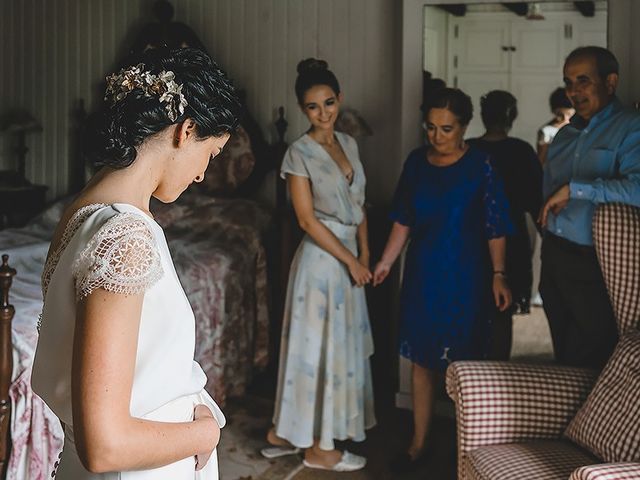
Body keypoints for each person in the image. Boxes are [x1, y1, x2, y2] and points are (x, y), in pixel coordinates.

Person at [31, 47, 241, 479]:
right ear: (186, 130)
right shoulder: (124, 237)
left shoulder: (81, 214)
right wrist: (207, 434)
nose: (203, 174)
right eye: (212, 154)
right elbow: (105, 446)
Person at [373, 88, 512, 472]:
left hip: (467, 276)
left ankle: (467, 447)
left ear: (465, 127)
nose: (437, 136)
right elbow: (403, 218)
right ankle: (419, 443)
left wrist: (499, 275)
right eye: (431, 127)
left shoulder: (481, 165)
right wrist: (385, 262)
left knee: (464, 366)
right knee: (422, 361)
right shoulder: (417, 163)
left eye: (446, 128)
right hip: (424, 274)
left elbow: (495, 225)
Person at [263, 58, 376, 472]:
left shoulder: (350, 144)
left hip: (349, 259)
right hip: (321, 263)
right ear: (302, 109)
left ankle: (285, 433)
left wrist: (364, 255)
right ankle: (318, 448)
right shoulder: (298, 153)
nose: (323, 113)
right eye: (313, 107)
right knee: (316, 353)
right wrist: (350, 261)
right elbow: (307, 220)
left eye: (329, 103)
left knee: (337, 350)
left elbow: (361, 207)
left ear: (339, 100)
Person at [539, 46, 640, 370]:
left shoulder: (631, 128)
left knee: (592, 358)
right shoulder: (565, 135)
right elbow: (548, 189)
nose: (573, 91)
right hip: (553, 255)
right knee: (562, 353)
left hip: (595, 263)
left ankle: (590, 422)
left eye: (583, 80)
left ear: (610, 82)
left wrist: (578, 189)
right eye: (568, 82)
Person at [468, 90, 543, 359]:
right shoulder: (521, 151)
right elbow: (536, 199)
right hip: (509, 236)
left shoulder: (470, 149)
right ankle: (498, 368)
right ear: (512, 116)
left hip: (471, 235)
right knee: (502, 308)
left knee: (473, 306)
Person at [537, 87, 575, 165]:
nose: (565, 120)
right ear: (554, 112)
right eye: (560, 115)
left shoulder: (581, 129)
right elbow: (541, 161)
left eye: (569, 115)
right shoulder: (547, 131)